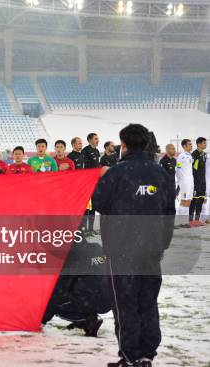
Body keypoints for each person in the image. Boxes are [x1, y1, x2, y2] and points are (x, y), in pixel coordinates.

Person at [92, 124, 175, 367]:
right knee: (147, 301)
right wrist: (162, 244)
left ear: (124, 145)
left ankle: (129, 356)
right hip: (151, 250)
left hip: (121, 249)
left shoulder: (117, 173)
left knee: (125, 303)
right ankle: (147, 354)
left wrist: (104, 178)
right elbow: (169, 212)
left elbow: (100, 203)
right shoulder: (161, 174)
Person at [42, 239, 110, 337]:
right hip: (111, 298)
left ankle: (88, 320)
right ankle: (83, 321)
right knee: (83, 288)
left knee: (58, 306)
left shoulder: (73, 261)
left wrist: (43, 319)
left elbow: (58, 293)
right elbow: (100, 262)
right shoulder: (96, 247)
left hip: (94, 297)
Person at [176, 139, 194, 227]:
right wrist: (181, 180)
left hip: (191, 181)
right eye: (189, 144)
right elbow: (178, 169)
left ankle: (185, 222)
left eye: (191, 144)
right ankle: (181, 222)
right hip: (184, 181)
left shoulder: (190, 156)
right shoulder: (181, 156)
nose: (191, 145)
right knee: (184, 201)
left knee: (188, 201)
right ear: (184, 146)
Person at [190, 137, 207, 226]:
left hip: (202, 181)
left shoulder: (204, 154)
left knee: (201, 199)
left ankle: (197, 220)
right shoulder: (194, 154)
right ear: (199, 144)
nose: (206, 144)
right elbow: (191, 169)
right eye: (204, 143)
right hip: (195, 181)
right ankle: (190, 220)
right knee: (194, 200)